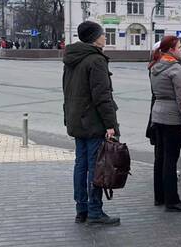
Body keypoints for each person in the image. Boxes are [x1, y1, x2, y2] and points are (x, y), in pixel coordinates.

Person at [62, 21, 120, 226]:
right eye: (103, 34)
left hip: (77, 120)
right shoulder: (96, 60)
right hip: (94, 123)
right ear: (95, 37)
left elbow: (67, 91)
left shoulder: (72, 58)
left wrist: (68, 117)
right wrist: (110, 124)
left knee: (81, 165)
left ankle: (82, 209)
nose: (105, 37)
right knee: (97, 167)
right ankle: (95, 211)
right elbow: (102, 96)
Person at [149, 36, 181, 212]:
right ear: (171, 50)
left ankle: (159, 196)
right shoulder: (176, 69)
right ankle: (172, 200)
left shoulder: (155, 67)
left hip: (157, 114)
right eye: (179, 47)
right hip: (172, 118)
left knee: (159, 158)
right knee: (171, 160)